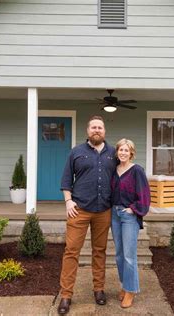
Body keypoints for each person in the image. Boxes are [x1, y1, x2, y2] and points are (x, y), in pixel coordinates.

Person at [57, 115, 117, 315]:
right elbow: (66, 179)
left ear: (104, 131)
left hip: (104, 210)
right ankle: (66, 295)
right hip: (79, 209)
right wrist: (68, 201)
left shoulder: (114, 153)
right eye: (93, 127)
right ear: (87, 130)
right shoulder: (76, 152)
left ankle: (99, 289)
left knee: (99, 251)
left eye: (100, 127)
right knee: (71, 251)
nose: (97, 130)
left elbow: (123, 176)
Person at [110, 138, 150, 309]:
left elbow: (145, 195)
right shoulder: (114, 170)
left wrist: (133, 209)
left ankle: (131, 290)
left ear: (131, 153)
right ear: (117, 152)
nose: (123, 153)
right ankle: (124, 285)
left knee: (129, 255)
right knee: (119, 254)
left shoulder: (137, 171)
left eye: (126, 150)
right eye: (121, 150)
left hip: (128, 216)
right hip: (114, 214)